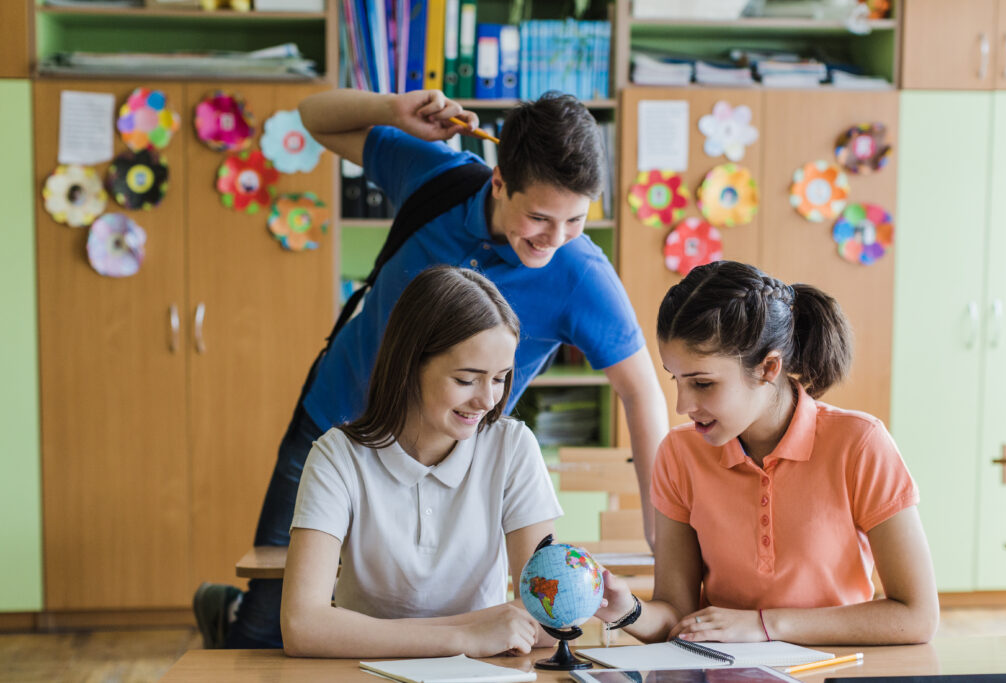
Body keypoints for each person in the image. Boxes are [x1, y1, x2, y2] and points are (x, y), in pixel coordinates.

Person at [192, 88, 668, 649]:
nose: (555, 239)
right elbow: (313, 117)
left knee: (432, 599)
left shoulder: (580, 272)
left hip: (454, 456)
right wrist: (392, 111)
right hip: (336, 421)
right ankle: (234, 615)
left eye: (577, 220)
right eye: (539, 216)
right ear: (499, 183)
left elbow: (642, 393)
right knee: (264, 625)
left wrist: (661, 538)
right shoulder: (438, 179)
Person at [594, 260, 939, 645]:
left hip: (839, 667)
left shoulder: (860, 443)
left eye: (703, 383)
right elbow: (678, 613)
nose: (682, 405)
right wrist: (628, 610)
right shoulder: (679, 454)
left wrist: (765, 625)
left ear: (769, 367)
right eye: (676, 380)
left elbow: (917, 616)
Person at [280, 266, 560, 658]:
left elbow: (550, 616)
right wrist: (468, 637)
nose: (487, 400)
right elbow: (302, 626)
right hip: (362, 672)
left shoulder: (512, 447)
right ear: (409, 365)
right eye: (466, 380)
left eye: (500, 378)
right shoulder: (336, 457)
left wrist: (367, 631)